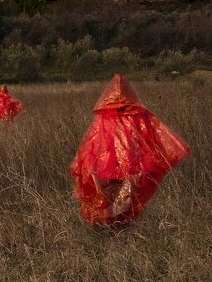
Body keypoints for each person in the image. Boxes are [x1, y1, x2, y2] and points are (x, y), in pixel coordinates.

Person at [70, 73, 190, 227]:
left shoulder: (107, 117)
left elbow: (93, 148)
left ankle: (109, 221)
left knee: (112, 192)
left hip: (110, 165)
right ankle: (115, 221)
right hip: (130, 162)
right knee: (126, 189)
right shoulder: (131, 116)